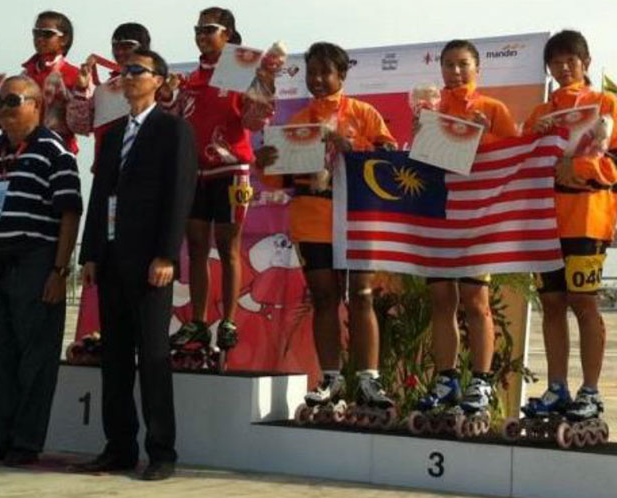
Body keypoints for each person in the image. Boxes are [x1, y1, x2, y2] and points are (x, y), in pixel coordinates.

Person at [255, 42, 398, 412]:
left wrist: (348, 143)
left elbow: (388, 162)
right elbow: (278, 182)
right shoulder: (298, 120)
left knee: (362, 295)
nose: (317, 79)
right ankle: (331, 378)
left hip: (358, 216)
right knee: (324, 298)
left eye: (325, 72)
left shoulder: (364, 113)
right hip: (313, 217)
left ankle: (369, 379)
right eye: (311, 72)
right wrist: (266, 163)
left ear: (342, 75)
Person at [79, 48, 197, 481]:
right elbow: (99, 200)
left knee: (152, 356)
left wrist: (167, 254)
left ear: (160, 81)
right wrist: (90, 254)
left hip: (151, 262)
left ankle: (161, 451)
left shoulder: (174, 131)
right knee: (114, 358)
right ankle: (119, 447)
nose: (128, 77)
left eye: (137, 71)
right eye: (124, 71)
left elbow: (179, 195)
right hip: (111, 261)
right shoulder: (112, 136)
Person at [0, 75, 82, 466]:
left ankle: (25, 442)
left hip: (34, 259)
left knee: (35, 356)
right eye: (0, 103)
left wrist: (59, 271)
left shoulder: (54, 150)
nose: (6, 110)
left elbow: (69, 214)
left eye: (14, 101)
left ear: (36, 105)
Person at [415, 39, 520, 415]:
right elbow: (421, 162)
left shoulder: (493, 108)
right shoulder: (431, 107)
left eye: (463, 64)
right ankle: (446, 380)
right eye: (449, 65)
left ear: (478, 68)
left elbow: (515, 161)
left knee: (477, 302)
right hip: (440, 214)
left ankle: (481, 382)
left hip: (479, 216)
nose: (456, 72)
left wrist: (486, 135)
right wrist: (420, 131)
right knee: (442, 299)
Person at [521, 30, 617, 420]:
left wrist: (577, 166)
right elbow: (519, 165)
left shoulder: (606, 104)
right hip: (545, 221)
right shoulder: (540, 114)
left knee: (584, 302)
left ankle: (591, 391)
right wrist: (534, 144)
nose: (563, 68)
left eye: (570, 61)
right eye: (556, 62)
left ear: (586, 63)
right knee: (551, 303)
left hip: (588, 218)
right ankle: (556, 387)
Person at [165, 6, 264, 354]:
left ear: (228, 35)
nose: (202, 35)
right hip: (195, 172)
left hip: (231, 171)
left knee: (228, 247)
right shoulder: (189, 79)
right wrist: (168, 97)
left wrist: (261, 95)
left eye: (210, 29)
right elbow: (174, 119)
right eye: (198, 29)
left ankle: (229, 321)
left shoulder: (241, 74)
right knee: (194, 247)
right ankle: (197, 320)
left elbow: (253, 123)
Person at [0, 11, 81, 153]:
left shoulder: (75, 75)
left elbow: (82, 124)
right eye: (36, 33)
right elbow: (18, 122)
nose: (39, 38)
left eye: (47, 34)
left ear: (64, 39)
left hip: (58, 152)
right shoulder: (25, 75)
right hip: (21, 152)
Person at [67, 22, 152, 171]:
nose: (119, 52)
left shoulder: (156, 84)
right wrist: (81, 90)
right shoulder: (105, 89)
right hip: (105, 172)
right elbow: (79, 126)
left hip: (143, 169)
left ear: (144, 48)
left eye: (127, 46)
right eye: (115, 46)